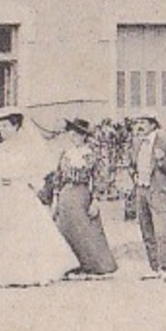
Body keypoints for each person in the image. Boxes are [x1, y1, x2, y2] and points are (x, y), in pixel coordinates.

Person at [0, 107, 77, 287]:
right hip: (1, 195)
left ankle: (26, 275)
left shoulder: (26, 150)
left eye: (6, 126)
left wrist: (24, 184)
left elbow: (37, 174)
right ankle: (7, 275)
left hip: (19, 194)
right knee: (4, 234)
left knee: (23, 233)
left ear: (16, 127)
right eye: (0, 127)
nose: (2, 130)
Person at [52, 118, 117, 277]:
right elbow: (58, 177)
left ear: (83, 136)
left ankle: (92, 265)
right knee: (65, 228)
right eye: (71, 134)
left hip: (82, 194)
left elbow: (99, 178)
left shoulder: (91, 154)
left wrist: (96, 200)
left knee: (85, 229)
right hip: (66, 193)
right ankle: (70, 265)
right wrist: (55, 198)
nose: (73, 137)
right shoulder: (65, 153)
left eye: (76, 135)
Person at [129, 113, 166, 281]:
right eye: (137, 122)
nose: (139, 126)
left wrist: (162, 160)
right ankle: (154, 267)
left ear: (153, 125)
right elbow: (131, 165)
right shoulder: (136, 143)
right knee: (146, 230)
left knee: (161, 231)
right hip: (142, 191)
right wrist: (134, 176)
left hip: (160, 192)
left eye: (143, 122)